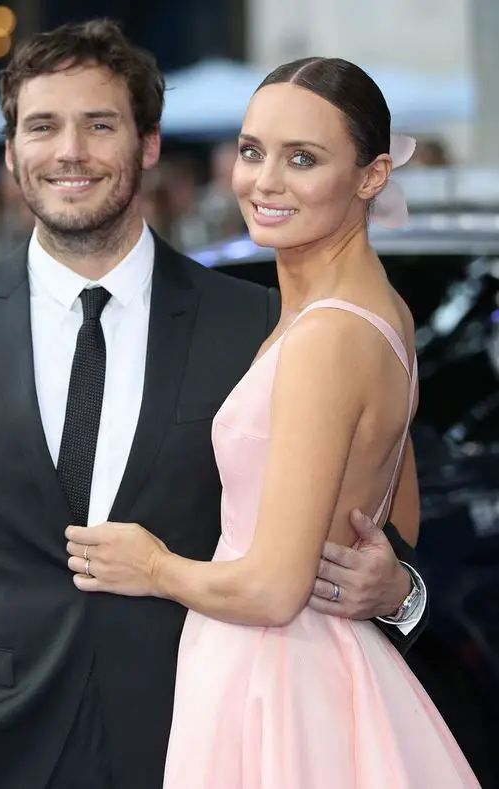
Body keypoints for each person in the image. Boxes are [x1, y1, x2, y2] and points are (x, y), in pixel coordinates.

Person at [0, 23, 425, 789]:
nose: (70, 152)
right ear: (12, 149)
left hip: (196, 739)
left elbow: (383, 515)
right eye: (43, 126)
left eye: (100, 124)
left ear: (148, 144)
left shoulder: (257, 326)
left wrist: (401, 592)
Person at [64, 57, 480, 788]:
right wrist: (395, 584)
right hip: (311, 664)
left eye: (303, 158)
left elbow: (273, 590)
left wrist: (151, 565)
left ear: (371, 175)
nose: (265, 181)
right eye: (253, 150)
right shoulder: (376, 314)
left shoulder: (326, 337)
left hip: (274, 674)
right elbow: (388, 520)